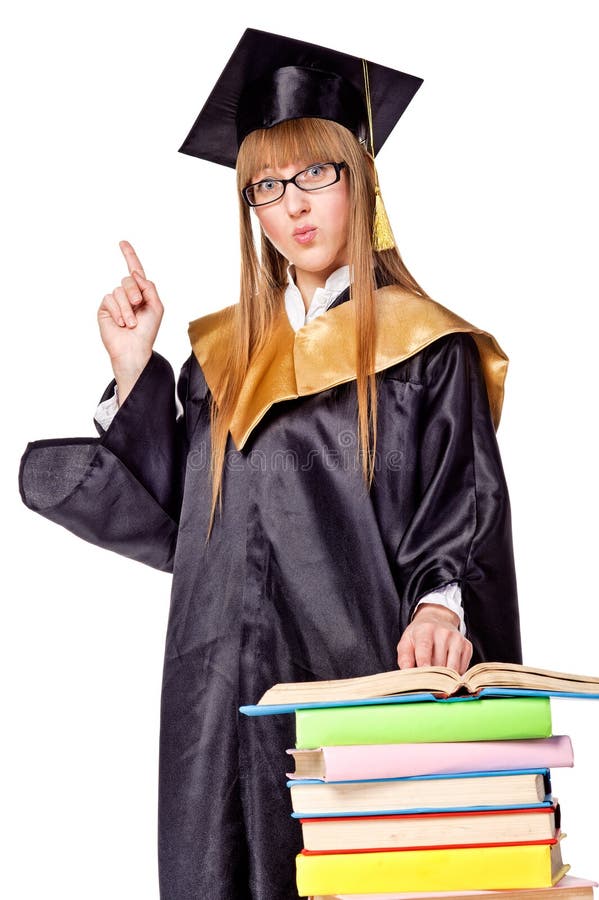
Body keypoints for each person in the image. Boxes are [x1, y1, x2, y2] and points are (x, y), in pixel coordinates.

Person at [19, 27, 522, 900]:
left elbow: (459, 502)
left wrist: (440, 608)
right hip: (215, 691)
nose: (294, 205)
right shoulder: (221, 357)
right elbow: (174, 522)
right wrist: (137, 365)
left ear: (359, 181)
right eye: (267, 186)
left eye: (315, 174)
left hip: (349, 672)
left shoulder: (422, 349)